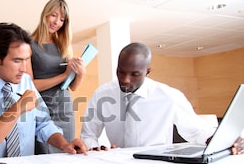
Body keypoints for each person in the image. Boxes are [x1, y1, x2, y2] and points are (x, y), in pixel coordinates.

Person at [81, 42, 243, 155]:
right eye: (121, 71)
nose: (125, 79)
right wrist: (95, 149)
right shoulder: (103, 94)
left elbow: (196, 131)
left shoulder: (169, 96)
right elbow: (88, 135)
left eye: (134, 74)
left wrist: (227, 140)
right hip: (117, 163)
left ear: (147, 72)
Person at [0, 22, 87, 161]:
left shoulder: (25, 82)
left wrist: (64, 144)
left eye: (27, 59)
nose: (24, 68)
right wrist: (17, 109)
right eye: (17, 61)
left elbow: (44, 124)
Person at [26, 0, 86, 154]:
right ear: (44, 14)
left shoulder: (64, 45)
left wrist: (80, 73)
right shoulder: (28, 45)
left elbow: (72, 86)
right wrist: (63, 76)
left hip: (65, 109)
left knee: (68, 154)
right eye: (53, 15)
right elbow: (30, 85)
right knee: (44, 156)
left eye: (62, 19)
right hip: (43, 109)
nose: (56, 22)